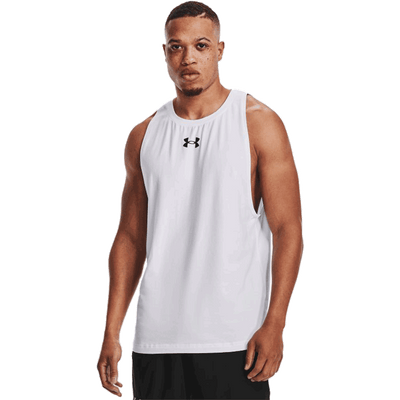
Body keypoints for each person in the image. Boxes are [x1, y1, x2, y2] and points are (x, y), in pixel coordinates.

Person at [96, 1, 304, 399]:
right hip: (156, 343)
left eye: (201, 45)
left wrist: (276, 322)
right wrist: (111, 330)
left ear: (220, 50)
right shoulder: (144, 135)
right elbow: (130, 239)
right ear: (165, 52)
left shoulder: (257, 122)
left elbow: (287, 229)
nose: (188, 58)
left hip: (235, 340)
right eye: (176, 47)